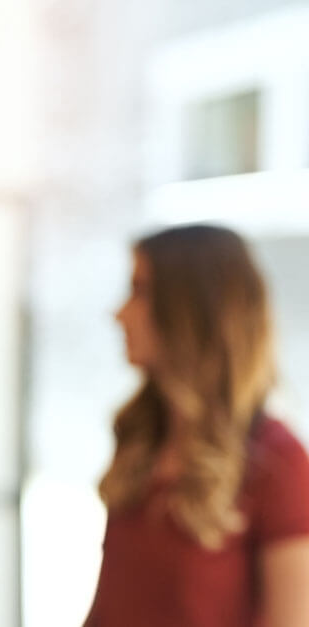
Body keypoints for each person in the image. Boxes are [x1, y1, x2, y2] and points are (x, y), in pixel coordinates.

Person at [86, 224, 309, 626]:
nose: (119, 313)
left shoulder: (278, 460)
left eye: (140, 291)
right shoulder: (139, 437)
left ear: (192, 310)